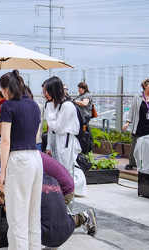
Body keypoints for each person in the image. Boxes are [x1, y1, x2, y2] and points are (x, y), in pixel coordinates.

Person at [0, 70, 43, 250]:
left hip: (19, 159)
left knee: (17, 216)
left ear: (7, 89)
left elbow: (5, 141)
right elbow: (37, 135)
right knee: (32, 213)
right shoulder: (34, 105)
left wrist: (2, 172)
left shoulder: (8, 106)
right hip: (36, 158)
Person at [43, 76, 87, 214]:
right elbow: (51, 129)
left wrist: (49, 107)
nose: (44, 94)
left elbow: (57, 127)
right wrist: (49, 146)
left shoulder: (67, 105)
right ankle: (59, 206)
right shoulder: (56, 104)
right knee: (56, 173)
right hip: (57, 141)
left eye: (46, 91)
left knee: (66, 174)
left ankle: (68, 209)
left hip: (66, 141)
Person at [39, 151, 97, 236]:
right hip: (59, 186)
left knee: (49, 224)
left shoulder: (26, 159)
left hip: (63, 190)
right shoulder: (29, 153)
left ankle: (84, 218)